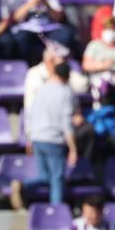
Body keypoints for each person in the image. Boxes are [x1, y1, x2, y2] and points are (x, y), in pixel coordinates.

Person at [13, 61, 78, 209]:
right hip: (54, 139)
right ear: (67, 77)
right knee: (57, 179)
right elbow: (66, 122)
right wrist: (73, 148)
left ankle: (23, 184)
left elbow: (30, 114)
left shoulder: (41, 90)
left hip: (37, 137)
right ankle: (56, 211)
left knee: (44, 177)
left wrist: (29, 138)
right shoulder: (65, 92)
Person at [6, 0, 75, 67]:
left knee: (65, 34)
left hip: (47, 28)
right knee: (20, 38)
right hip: (26, 29)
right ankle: (25, 67)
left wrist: (46, 5)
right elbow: (13, 19)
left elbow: (59, 17)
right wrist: (29, 5)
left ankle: (56, 66)